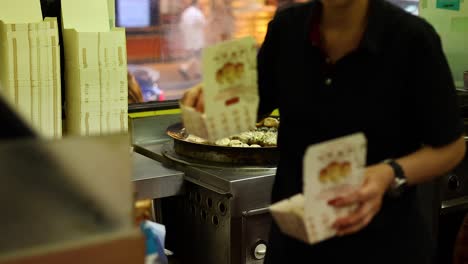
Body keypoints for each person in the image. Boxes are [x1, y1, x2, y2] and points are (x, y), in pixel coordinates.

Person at [181, 0, 466, 263]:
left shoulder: (412, 39)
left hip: (383, 244)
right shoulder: (287, 29)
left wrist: (389, 173)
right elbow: (255, 103)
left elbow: (451, 147)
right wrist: (215, 99)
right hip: (295, 242)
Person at [178, 0, 206, 80]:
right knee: (197, 56)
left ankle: (198, 73)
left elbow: (181, 26)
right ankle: (184, 68)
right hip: (197, 39)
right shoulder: (197, 13)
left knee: (196, 56)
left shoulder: (185, 13)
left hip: (188, 38)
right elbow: (202, 23)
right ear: (196, 4)